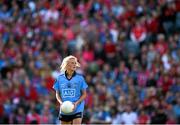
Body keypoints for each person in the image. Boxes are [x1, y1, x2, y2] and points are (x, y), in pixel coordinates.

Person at [53, 55, 88, 124]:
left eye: (75, 63)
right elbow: (57, 94)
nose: (74, 64)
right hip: (65, 108)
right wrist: (61, 103)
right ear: (67, 64)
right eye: (72, 63)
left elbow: (84, 94)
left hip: (77, 107)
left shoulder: (80, 78)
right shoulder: (59, 78)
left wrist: (76, 103)